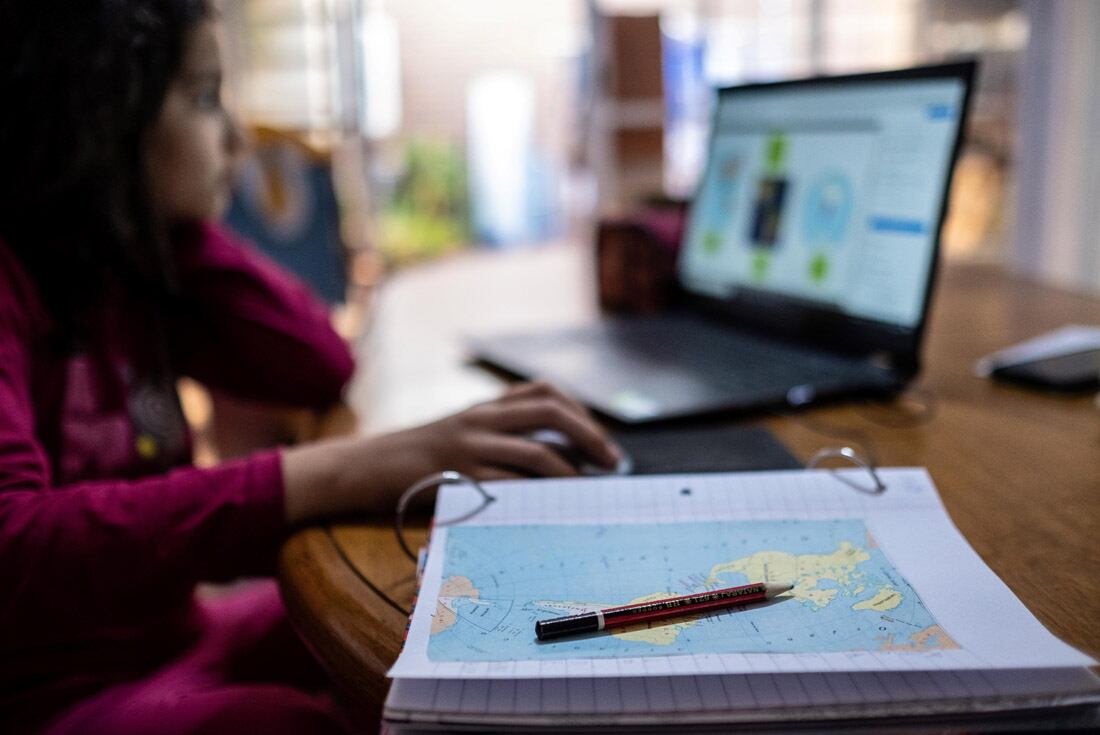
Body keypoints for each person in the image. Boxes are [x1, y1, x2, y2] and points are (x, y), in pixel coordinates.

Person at [0, 2, 622, 733]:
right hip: (46, 695)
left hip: (173, 636)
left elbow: (314, 359)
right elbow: (15, 543)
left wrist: (163, 218)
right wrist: (344, 470)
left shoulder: (128, 266)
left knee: (426, 614)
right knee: (290, 721)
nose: (234, 137)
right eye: (203, 99)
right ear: (101, 117)